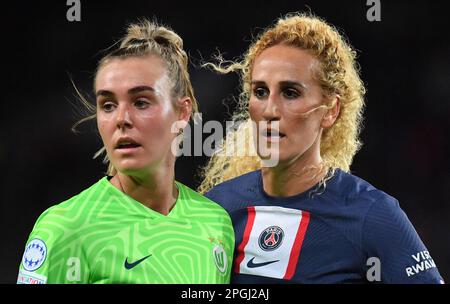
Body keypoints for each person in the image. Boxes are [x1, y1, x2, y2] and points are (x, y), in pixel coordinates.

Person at [199, 13, 444, 283]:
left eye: (290, 93)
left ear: (331, 111)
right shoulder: (217, 208)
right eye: (260, 92)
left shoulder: (373, 216)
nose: (269, 110)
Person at [17, 19, 234, 284]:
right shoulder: (67, 227)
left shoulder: (215, 222)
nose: (122, 118)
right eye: (107, 105)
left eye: (141, 102)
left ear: (183, 112)